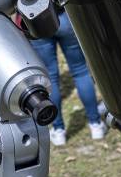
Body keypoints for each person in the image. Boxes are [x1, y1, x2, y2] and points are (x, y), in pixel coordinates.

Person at [30, 9, 107, 146]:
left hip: (36, 20)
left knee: (49, 78)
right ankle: (96, 125)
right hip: (63, 14)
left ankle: (58, 131)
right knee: (81, 71)